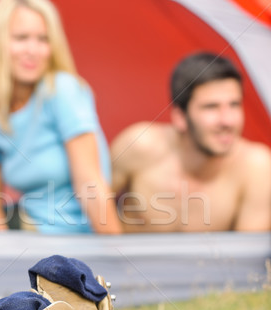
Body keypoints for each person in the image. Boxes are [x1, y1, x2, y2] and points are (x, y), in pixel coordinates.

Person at [0, 0, 121, 234]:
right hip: (27, 231)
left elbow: (90, 184)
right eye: (21, 38)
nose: (33, 50)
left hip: (72, 240)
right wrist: (7, 260)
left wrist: (118, 257)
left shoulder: (62, 90)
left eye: (43, 39)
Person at [111, 52, 271, 232]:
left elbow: (248, 256)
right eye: (211, 107)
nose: (228, 121)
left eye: (234, 105)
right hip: (128, 259)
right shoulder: (139, 145)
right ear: (180, 116)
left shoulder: (256, 166)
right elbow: (88, 203)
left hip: (214, 262)